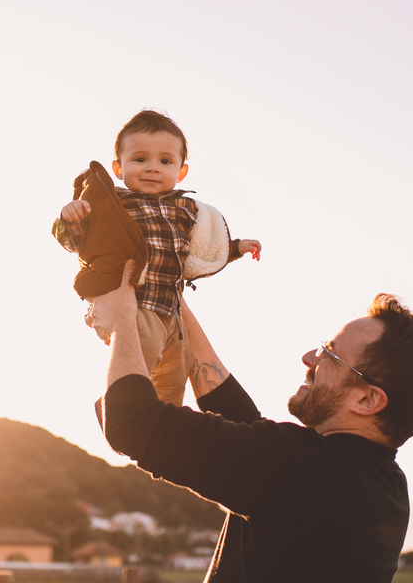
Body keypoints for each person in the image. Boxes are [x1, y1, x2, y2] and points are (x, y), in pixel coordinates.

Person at [90, 261, 413, 582]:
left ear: (367, 399)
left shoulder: (307, 472)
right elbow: (243, 424)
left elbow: (131, 422)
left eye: (330, 354)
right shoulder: (375, 482)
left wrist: (122, 315)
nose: (309, 358)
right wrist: (171, 295)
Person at [53, 109, 261, 406]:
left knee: (172, 384)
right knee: (138, 363)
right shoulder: (113, 202)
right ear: (118, 167)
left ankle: (158, 426)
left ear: (181, 171)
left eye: (165, 161)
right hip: (136, 306)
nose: (152, 168)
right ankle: (114, 406)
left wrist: (236, 248)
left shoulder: (187, 209)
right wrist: (70, 218)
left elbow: (201, 251)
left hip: (171, 311)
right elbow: (77, 241)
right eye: (140, 159)